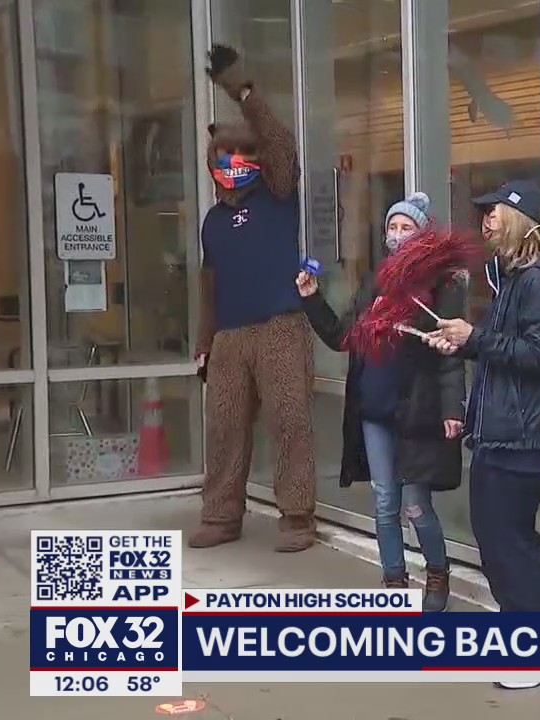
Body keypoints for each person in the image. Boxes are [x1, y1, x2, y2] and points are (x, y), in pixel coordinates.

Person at [295, 193, 466, 612]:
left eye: (407, 227)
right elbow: (343, 337)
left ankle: (438, 572)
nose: (397, 235)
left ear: (423, 233)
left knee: (415, 504)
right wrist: (312, 298)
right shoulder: (375, 282)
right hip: (373, 407)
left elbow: (450, 355)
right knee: (385, 500)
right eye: (392, 227)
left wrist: (451, 408)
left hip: (416, 410)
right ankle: (394, 581)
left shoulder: (441, 285)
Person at [422, 179, 540, 623]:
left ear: (520, 220)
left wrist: (476, 338)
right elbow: (506, 346)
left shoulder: (537, 280)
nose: (486, 220)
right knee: (505, 538)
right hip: (505, 433)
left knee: (507, 541)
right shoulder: (512, 277)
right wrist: (465, 343)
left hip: (521, 435)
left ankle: (535, 639)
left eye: (495, 211)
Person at [190, 44, 316, 552]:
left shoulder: (277, 193)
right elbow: (208, 286)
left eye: (239, 155)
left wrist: (242, 91)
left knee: (291, 423)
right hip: (229, 336)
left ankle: (297, 516)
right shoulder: (212, 222)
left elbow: (281, 143)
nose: (230, 164)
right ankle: (221, 515)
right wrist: (204, 343)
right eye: (221, 157)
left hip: (280, 325)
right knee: (223, 429)